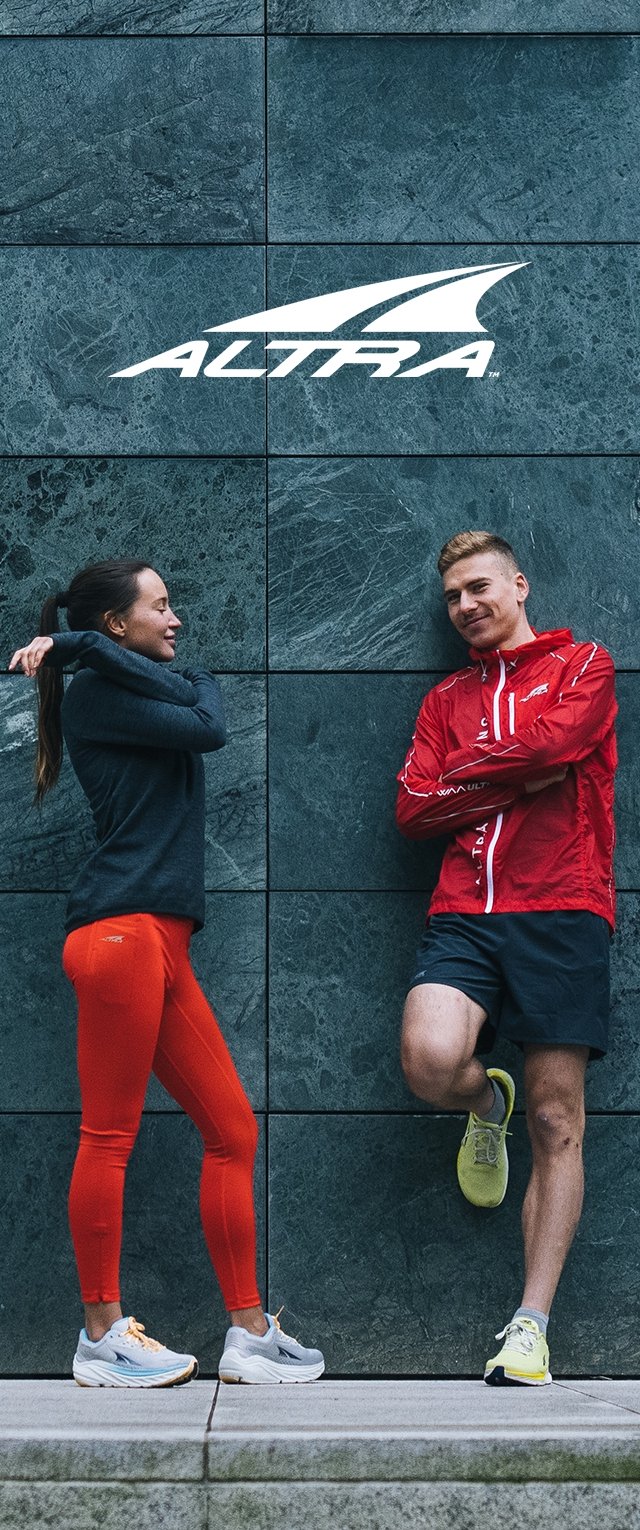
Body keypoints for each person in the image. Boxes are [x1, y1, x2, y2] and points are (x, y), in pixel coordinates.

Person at [9, 558, 324, 1388]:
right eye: (159, 605)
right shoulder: (100, 697)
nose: (176, 616)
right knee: (108, 1136)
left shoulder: (136, 676)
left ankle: (249, 1334)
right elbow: (204, 728)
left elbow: (209, 703)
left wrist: (78, 643)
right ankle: (100, 1334)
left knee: (233, 1131)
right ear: (118, 624)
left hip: (160, 942)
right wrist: (84, 654)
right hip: (119, 937)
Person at [395, 530, 617, 1386]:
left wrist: (468, 774)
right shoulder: (444, 697)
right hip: (464, 912)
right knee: (428, 1060)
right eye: (452, 597)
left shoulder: (584, 666)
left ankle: (530, 1327)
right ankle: (487, 1099)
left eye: (479, 588)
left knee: (559, 1120)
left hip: (562, 908)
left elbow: (555, 750)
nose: (466, 607)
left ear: (519, 586)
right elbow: (413, 810)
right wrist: (505, 777)